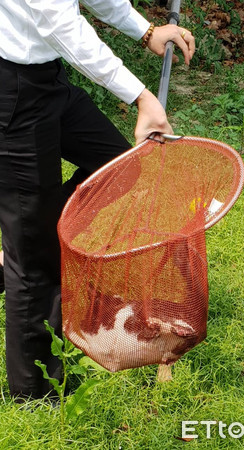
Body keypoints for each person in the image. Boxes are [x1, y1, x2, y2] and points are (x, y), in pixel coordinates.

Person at [0, 0, 195, 401]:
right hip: (13, 89)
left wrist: (144, 31)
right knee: (36, 264)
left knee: (116, 164)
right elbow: (60, 23)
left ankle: (22, 242)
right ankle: (33, 398)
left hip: (47, 79)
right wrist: (142, 96)